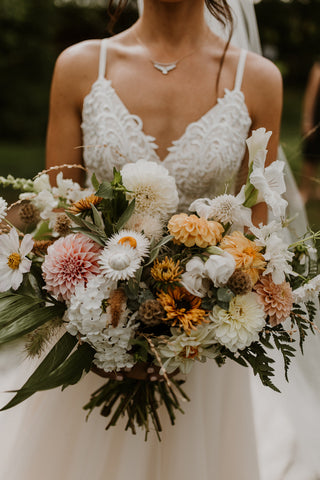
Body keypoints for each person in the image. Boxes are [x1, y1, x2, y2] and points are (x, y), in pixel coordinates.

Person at [0, 1, 318, 479]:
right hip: (94, 340)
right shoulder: (81, 66)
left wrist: (195, 332)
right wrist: (105, 332)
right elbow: (59, 221)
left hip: (202, 351)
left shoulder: (257, 79)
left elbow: (255, 243)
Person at [300, 60, 320, 204]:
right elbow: (310, 95)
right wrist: (307, 120)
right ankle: (305, 189)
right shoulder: (318, 67)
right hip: (317, 119)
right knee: (310, 156)